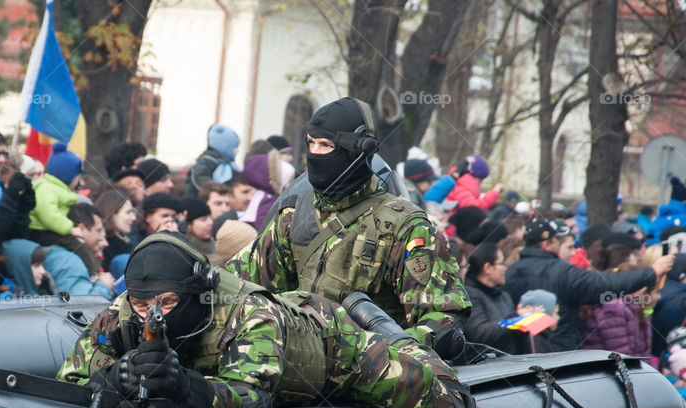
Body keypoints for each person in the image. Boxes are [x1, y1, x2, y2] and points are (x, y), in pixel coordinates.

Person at [58, 232, 472, 408]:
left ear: (197, 290)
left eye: (167, 302)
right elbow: (68, 381)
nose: (152, 313)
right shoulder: (123, 312)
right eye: (141, 301)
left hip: (332, 347)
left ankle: (395, 336)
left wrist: (183, 386)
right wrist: (115, 379)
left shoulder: (249, 315)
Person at [226, 97, 471, 353]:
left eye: (326, 145)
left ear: (359, 150)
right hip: (298, 374)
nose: (315, 154)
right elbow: (238, 286)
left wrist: (370, 354)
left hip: (373, 382)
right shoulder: (293, 215)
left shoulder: (406, 228)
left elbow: (443, 323)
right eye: (311, 143)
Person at [504, 217, 672, 351]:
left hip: (519, 355)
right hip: (560, 354)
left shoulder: (509, 272)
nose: (561, 244)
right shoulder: (563, 272)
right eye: (557, 240)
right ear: (546, 244)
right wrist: (652, 272)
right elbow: (606, 286)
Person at [462, 243, 525, 354]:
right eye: (501, 263)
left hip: (513, 362)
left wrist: (527, 318)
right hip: (489, 367)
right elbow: (479, 333)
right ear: (488, 268)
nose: (506, 268)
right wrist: (515, 318)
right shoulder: (470, 296)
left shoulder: (503, 295)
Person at [27, 142, 82, 242]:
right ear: (68, 176)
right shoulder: (45, 189)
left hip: (49, 229)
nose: (81, 182)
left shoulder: (56, 189)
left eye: (41, 173)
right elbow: (48, 215)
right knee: (77, 245)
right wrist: (70, 229)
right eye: (78, 176)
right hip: (39, 232)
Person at [240, 149, 296, 231]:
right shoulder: (269, 201)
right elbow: (263, 227)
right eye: (288, 182)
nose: (289, 186)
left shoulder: (260, 197)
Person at [185, 124, 241, 197]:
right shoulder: (207, 160)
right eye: (235, 147)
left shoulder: (230, 165)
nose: (238, 150)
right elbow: (200, 177)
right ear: (224, 146)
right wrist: (216, 191)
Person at [95, 186, 139, 263]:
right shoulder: (101, 246)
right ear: (112, 214)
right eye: (128, 212)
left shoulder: (123, 243)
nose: (133, 218)